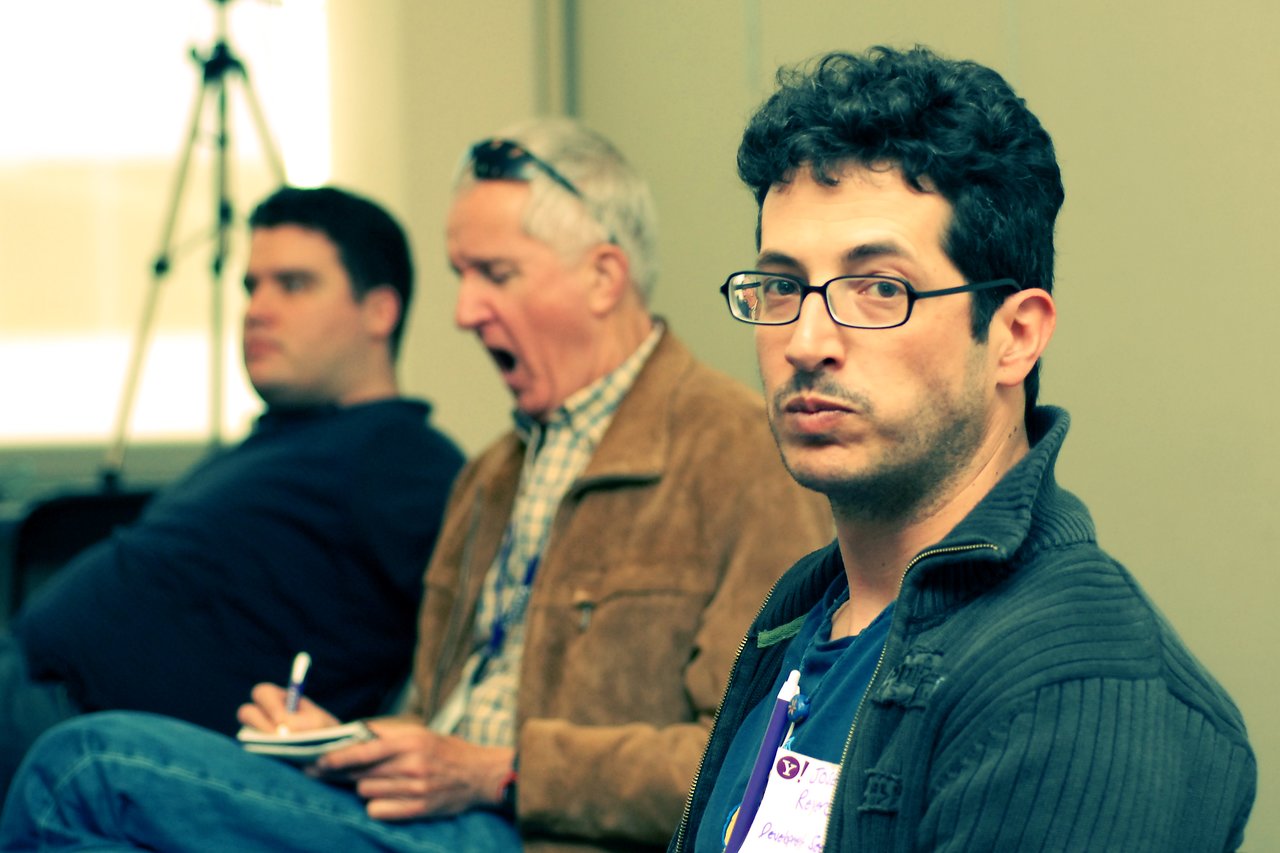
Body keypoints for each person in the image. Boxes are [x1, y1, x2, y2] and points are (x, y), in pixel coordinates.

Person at [0, 119, 832, 851]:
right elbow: (443, 720)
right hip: (430, 821)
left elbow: (756, 762)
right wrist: (350, 742)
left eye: (494, 274)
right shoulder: (489, 477)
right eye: (459, 274)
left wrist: (503, 771)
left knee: (86, 771)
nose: (464, 310)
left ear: (603, 277)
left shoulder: (737, 453)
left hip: (529, 833)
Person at [670, 46, 1256, 852]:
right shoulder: (806, 616)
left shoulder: (1081, 688)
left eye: (879, 287)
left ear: (1015, 336)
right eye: (781, 286)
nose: (806, 341)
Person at [0, 186, 465, 793]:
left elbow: (480, 633)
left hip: (101, 748)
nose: (257, 309)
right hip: (39, 701)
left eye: (293, 285)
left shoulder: (401, 456)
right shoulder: (273, 442)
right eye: (252, 286)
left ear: (380, 312)